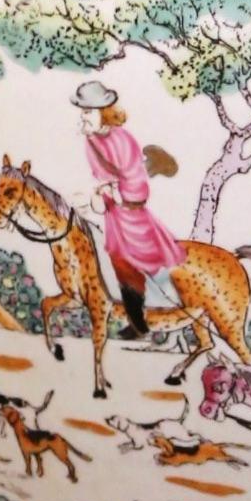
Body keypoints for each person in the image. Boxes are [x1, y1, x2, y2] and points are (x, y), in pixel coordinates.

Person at [75, 74, 183, 339]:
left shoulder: (122, 140)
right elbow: (102, 175)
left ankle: (164, 311)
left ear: (105, 112)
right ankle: (138, 323)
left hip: (132, 214)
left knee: (143, 259)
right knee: (119, 262)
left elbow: (137, 182)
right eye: (82, 112)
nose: (83, 118)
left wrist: (118, 194)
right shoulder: (91, 141)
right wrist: (100, 193)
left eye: (88, 112)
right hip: (115, 215)